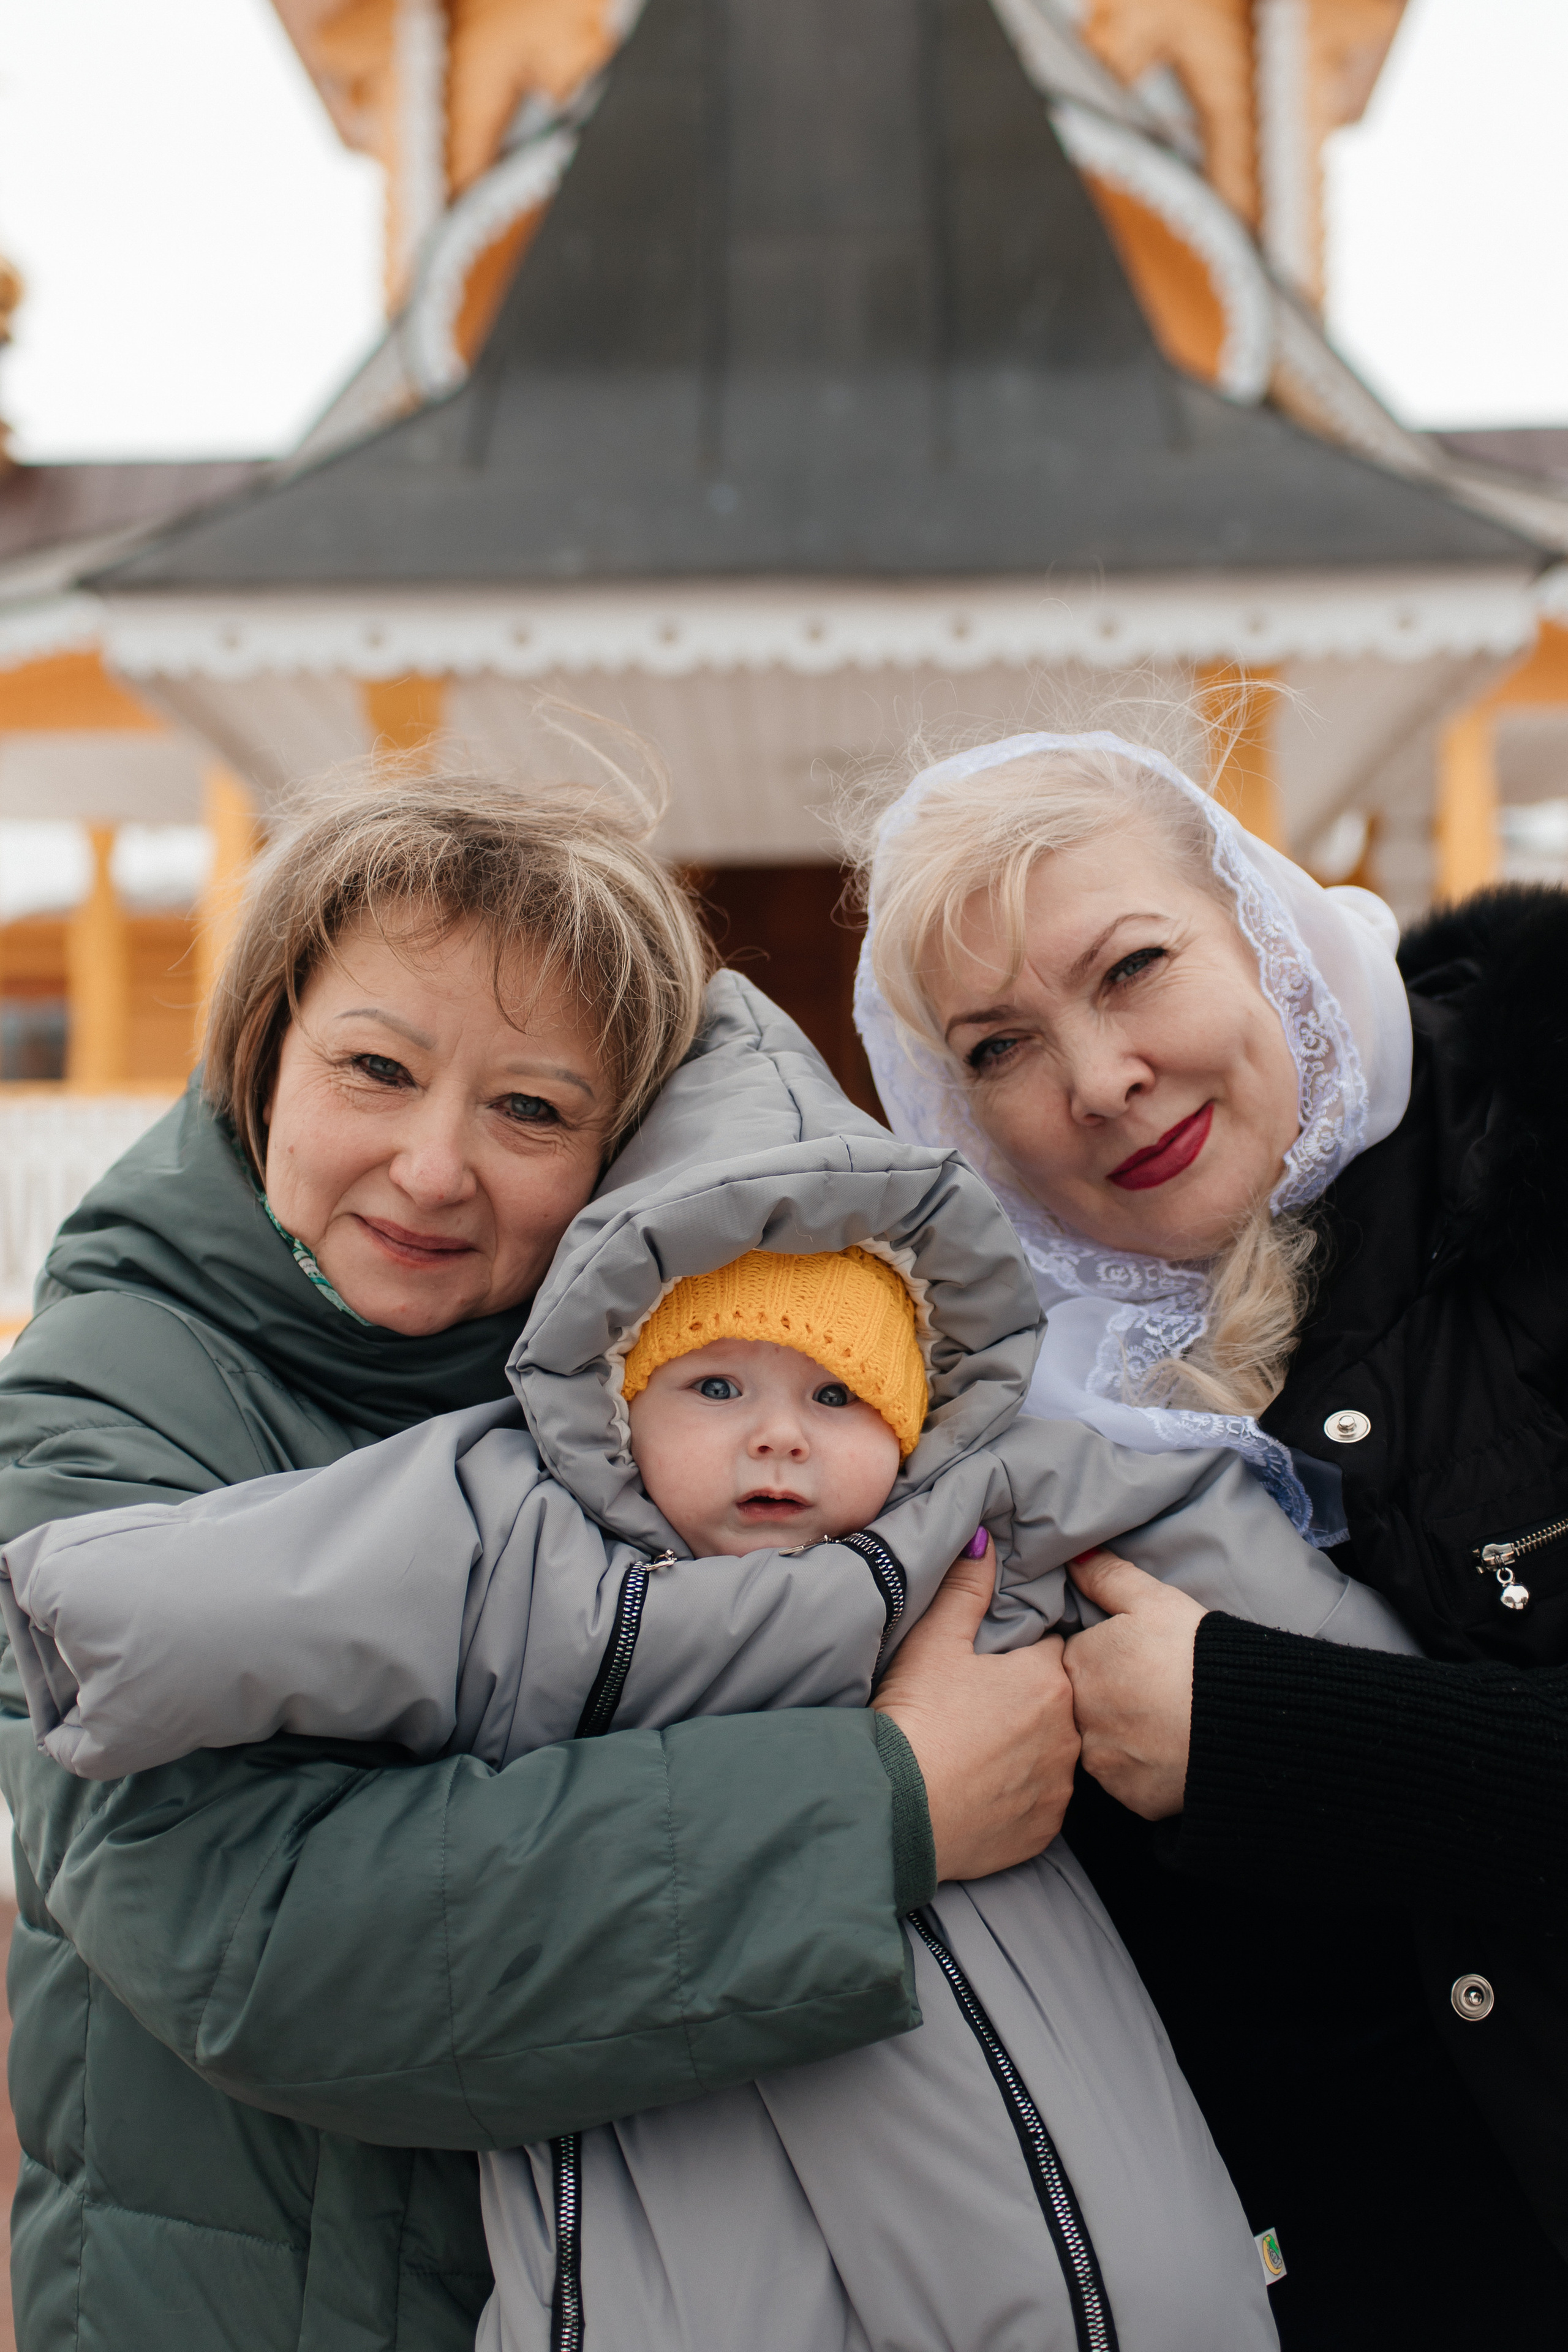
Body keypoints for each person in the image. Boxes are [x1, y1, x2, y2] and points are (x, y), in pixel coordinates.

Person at [1, 1106, 1412, 2350]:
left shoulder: (973, 1516)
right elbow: (338, 1572)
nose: (777, 1437)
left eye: (835, 1393)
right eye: (716, 1388)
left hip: (1006, 2069)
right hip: (674, 2089)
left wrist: (1362, 1693)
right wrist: (98, 1626)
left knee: (1112, 2281)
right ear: (624, 1403)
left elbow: (1179, 1522)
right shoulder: (552, 1548)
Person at [0, 767, 1079, 2352]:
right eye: (376, 1068)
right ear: (261, 1059)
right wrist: (879, 1809)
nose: (437, 1169)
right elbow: (258, 1936)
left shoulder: (668, 1399)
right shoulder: (109, 1400)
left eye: (531, 1109)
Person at [850, 725, 1568, 2350]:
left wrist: (1264, 1733)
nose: (1099, 1080)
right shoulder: (1006, 1424)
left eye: (1135, 967)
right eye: (998, 1046)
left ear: (1261, 920)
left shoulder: (1537, 1165)